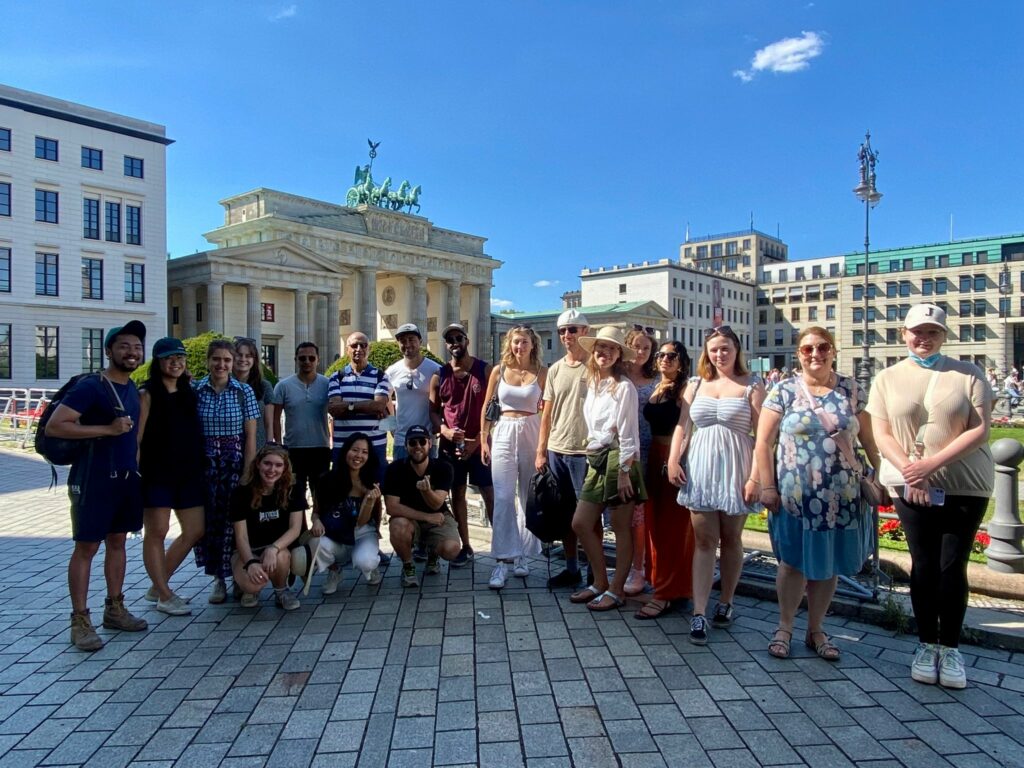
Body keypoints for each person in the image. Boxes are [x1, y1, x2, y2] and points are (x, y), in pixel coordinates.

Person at [867, 303, 994, 689]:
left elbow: (980, 429)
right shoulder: (887, 378)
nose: (924, 338)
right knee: (923, 564)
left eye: (932, 332)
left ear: (944, 335)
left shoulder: (968, 374)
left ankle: (950, 648)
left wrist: (931, 464)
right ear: (904, 334)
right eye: (917, 332)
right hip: (910, 484)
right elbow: (881, 433)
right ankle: (926, 644)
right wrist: (911, 470)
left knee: (952, 565)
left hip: (963, 483)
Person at [754, 327, 882, 660]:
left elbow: (869, 441)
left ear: (833, 351)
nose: (815, 354)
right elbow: (763, 443)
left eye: (823, 347)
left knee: (828, 563)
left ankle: (816, 629)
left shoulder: (851, 390)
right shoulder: (783, 390)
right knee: (791, 562)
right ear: (798, 354)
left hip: (841, 496)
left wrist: (879, 476)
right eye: (808, 349)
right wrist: (767, 486)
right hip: (795, 496)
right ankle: (784, 626)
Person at [46, 321, 149, 651]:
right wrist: (107, 429)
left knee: (118, 541)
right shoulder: (91, 386)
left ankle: (114, 608)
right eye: (124, 346)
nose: (132, 352)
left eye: (137, 347)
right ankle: (80, 620)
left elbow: (133, 438)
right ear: (109, 351)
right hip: (92, 478)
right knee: (87, 547)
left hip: (125, 478)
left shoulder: (132, 389)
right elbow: (55, 426)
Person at [669, 325, 764, 645]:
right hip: (702, 467)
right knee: (704, 539)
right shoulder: (695, 384)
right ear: (706, 353)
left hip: (738, 466)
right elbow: (683, 426)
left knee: (731, 538)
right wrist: (673, 459)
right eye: (714, 349)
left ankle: (726, 601)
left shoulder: (752, 384)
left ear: (737, 350)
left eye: (725, 348)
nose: (720, 354)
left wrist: (756, 477)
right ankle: (699, 611)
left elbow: (763, 436)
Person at [567, 326, 646, 611]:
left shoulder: (623, 387)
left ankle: (616, 589)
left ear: (619, 355)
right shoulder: (593, 383)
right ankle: (600, 581)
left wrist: (624, 470)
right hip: (597, 457)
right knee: (581, 523)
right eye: (601, 347)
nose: (605, 353)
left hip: (619, 457)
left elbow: (628, 431)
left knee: (621, 527)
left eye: (612, 348)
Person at [137, 337, 205, 616]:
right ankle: (164, 595)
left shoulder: (190, 391)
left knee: (195, 529)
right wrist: (134, 473)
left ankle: (158, 585)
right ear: (158, 362)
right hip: (156, 473)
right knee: (157, 532)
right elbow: (137, 438)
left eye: (180, 357)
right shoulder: (147, 394)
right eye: (169, 358)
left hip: (188, 472)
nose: (176, 362)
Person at [194, 339, 261, 603]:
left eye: (227, 360)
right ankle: (218, 579)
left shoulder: (243, 391)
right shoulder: (196, 391)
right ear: (208, 361)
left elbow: (251, 435)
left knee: (235, 523)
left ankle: (237, 575)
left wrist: (248, 470)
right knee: (210, 523)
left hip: (234, 464)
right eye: (216, 359)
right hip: (206, 466)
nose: (221, 365)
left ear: (232, 363)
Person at [480, 325, 545, 589]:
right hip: (504, 430)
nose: (520, 346)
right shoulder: (499, 371)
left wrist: (544, 447)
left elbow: (548, 410)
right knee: (504, 497)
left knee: (528, 496)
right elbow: (488, 405)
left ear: (533, 344)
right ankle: (501, 560)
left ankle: (522, 555)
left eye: (525, 341)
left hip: (532, 429)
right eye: (516, 341)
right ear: (510, 343)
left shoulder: (542, 372)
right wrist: (483, 438)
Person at [636, 340, 695, 619]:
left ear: (682, 361)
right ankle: (665, 584)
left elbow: (687, 426)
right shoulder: (657, 387)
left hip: (673, 458)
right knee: (654, 524)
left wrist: (676, 459)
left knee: (673, 527)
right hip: (654, 458)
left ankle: (667, 591)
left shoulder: (685, 389)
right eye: (661, 354)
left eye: (672, 356)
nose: (664, 359)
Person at [535, 309, 592, 589]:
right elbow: (546, 413)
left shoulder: (595, 366)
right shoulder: (555, 369)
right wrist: (541, 451)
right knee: (566, 515)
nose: (567, 335)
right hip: (558, 449)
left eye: (573, 329)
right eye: (562, 331)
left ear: (585, 332)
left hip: (585, 452)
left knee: (588, 517)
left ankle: (595, 572)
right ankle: (572, 568)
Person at [429, 323, 493, 567]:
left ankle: (501, 545)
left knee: (489, 492)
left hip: (480, 444)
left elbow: (494, 409)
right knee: (457, 494)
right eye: (450, 340)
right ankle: (466, 546)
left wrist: (477, 441)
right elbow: (433, 411)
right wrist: (445, 431)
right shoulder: (440, 375)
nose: (455, 343)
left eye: (459, 338)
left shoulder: (484, 370)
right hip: (450, 446)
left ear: (467, 341)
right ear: (446, 345)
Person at [384, 426, 462, 587]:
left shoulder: (443, 467)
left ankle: (433, 552)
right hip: (410, 519)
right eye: (412, 442)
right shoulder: (395, 469)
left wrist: (427, 492)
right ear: (406, 446)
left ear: (430, 444)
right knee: (398, 526)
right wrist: (426, 517)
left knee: (452, 549)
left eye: (422, 442)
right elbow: (391, 507)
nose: (417, 446)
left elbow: (437, 503)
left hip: (438, 516)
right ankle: (408, 566)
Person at [229, 444, 304, 610]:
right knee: (253, 584)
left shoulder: (293, 488)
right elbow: (241, 536)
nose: (272, 470)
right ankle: (246, 588)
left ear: (285, 468)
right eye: (267, 463)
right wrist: (250, 562)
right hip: (248, 549)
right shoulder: (241, 492)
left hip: (277, 547)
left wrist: (273, 548)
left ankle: (281, 591)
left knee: (281, 556)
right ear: (258, 464)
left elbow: (295, 529)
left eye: (278, 465)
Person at [309, 432, 383, 593]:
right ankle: (334, 571)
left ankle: (371, 567)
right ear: (345, 451)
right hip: (335, 535)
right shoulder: (326, 479)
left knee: (366, 561)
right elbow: (316, 512)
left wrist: (369, 502)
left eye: (364, 452)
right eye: (355, 450)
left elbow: (363, 521)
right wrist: (316, 521)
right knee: (315, 542)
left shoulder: (371, 482)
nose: (359, 456)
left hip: (362, 533)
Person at [273, 342, 331, 513]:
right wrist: (278, 446)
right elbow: (275, 418)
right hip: (293, 449)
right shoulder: (283, 386)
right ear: (296, 359)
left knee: (320, 494)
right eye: (302, 358)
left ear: (318, 360)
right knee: (293, 495)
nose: (307, 362)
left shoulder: (327, 384)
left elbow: (336, 412)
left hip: (320, 448)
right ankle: (297, 528)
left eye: (311, 358)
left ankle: (319, 526)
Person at [623, 327, 658, 596]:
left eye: (646, 348)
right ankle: (629, 565)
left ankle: (640, 567)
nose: (641, 352)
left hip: (649, 449)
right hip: (624, 450)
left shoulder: (656, 378)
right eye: (637, 346)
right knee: (624, 513)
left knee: (641, 514)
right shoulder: (619, 374)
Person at [327, 331, 391, 478]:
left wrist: (347, 406)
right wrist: (368, 406)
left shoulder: (380, 376)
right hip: (344, 445)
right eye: (354, 345)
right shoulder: (336, 377)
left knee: (374, 487)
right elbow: (335, 409)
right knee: (342, 488)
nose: (359, 349)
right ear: (347, 349)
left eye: (363, 345)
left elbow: (379, 406)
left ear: (369, 349)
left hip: (374, 445)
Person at [386, 323, 441, 461]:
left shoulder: (435, 369)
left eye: (411, 339)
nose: (407, 344)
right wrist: (391, 426)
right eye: (403, 341)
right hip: (401, 440)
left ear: (420, 342)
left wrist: (439, 424)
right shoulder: (392, 371)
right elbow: (384, 400)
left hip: (426, 440)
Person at [233, 337, 275, 450]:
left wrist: (269, 448)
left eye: (248, 356)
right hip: (232, 447)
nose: (243, 359)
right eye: (239, 355)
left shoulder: (264, 386)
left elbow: (269, 424)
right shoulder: (225, 385)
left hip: (258, 446)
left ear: (254, 360)